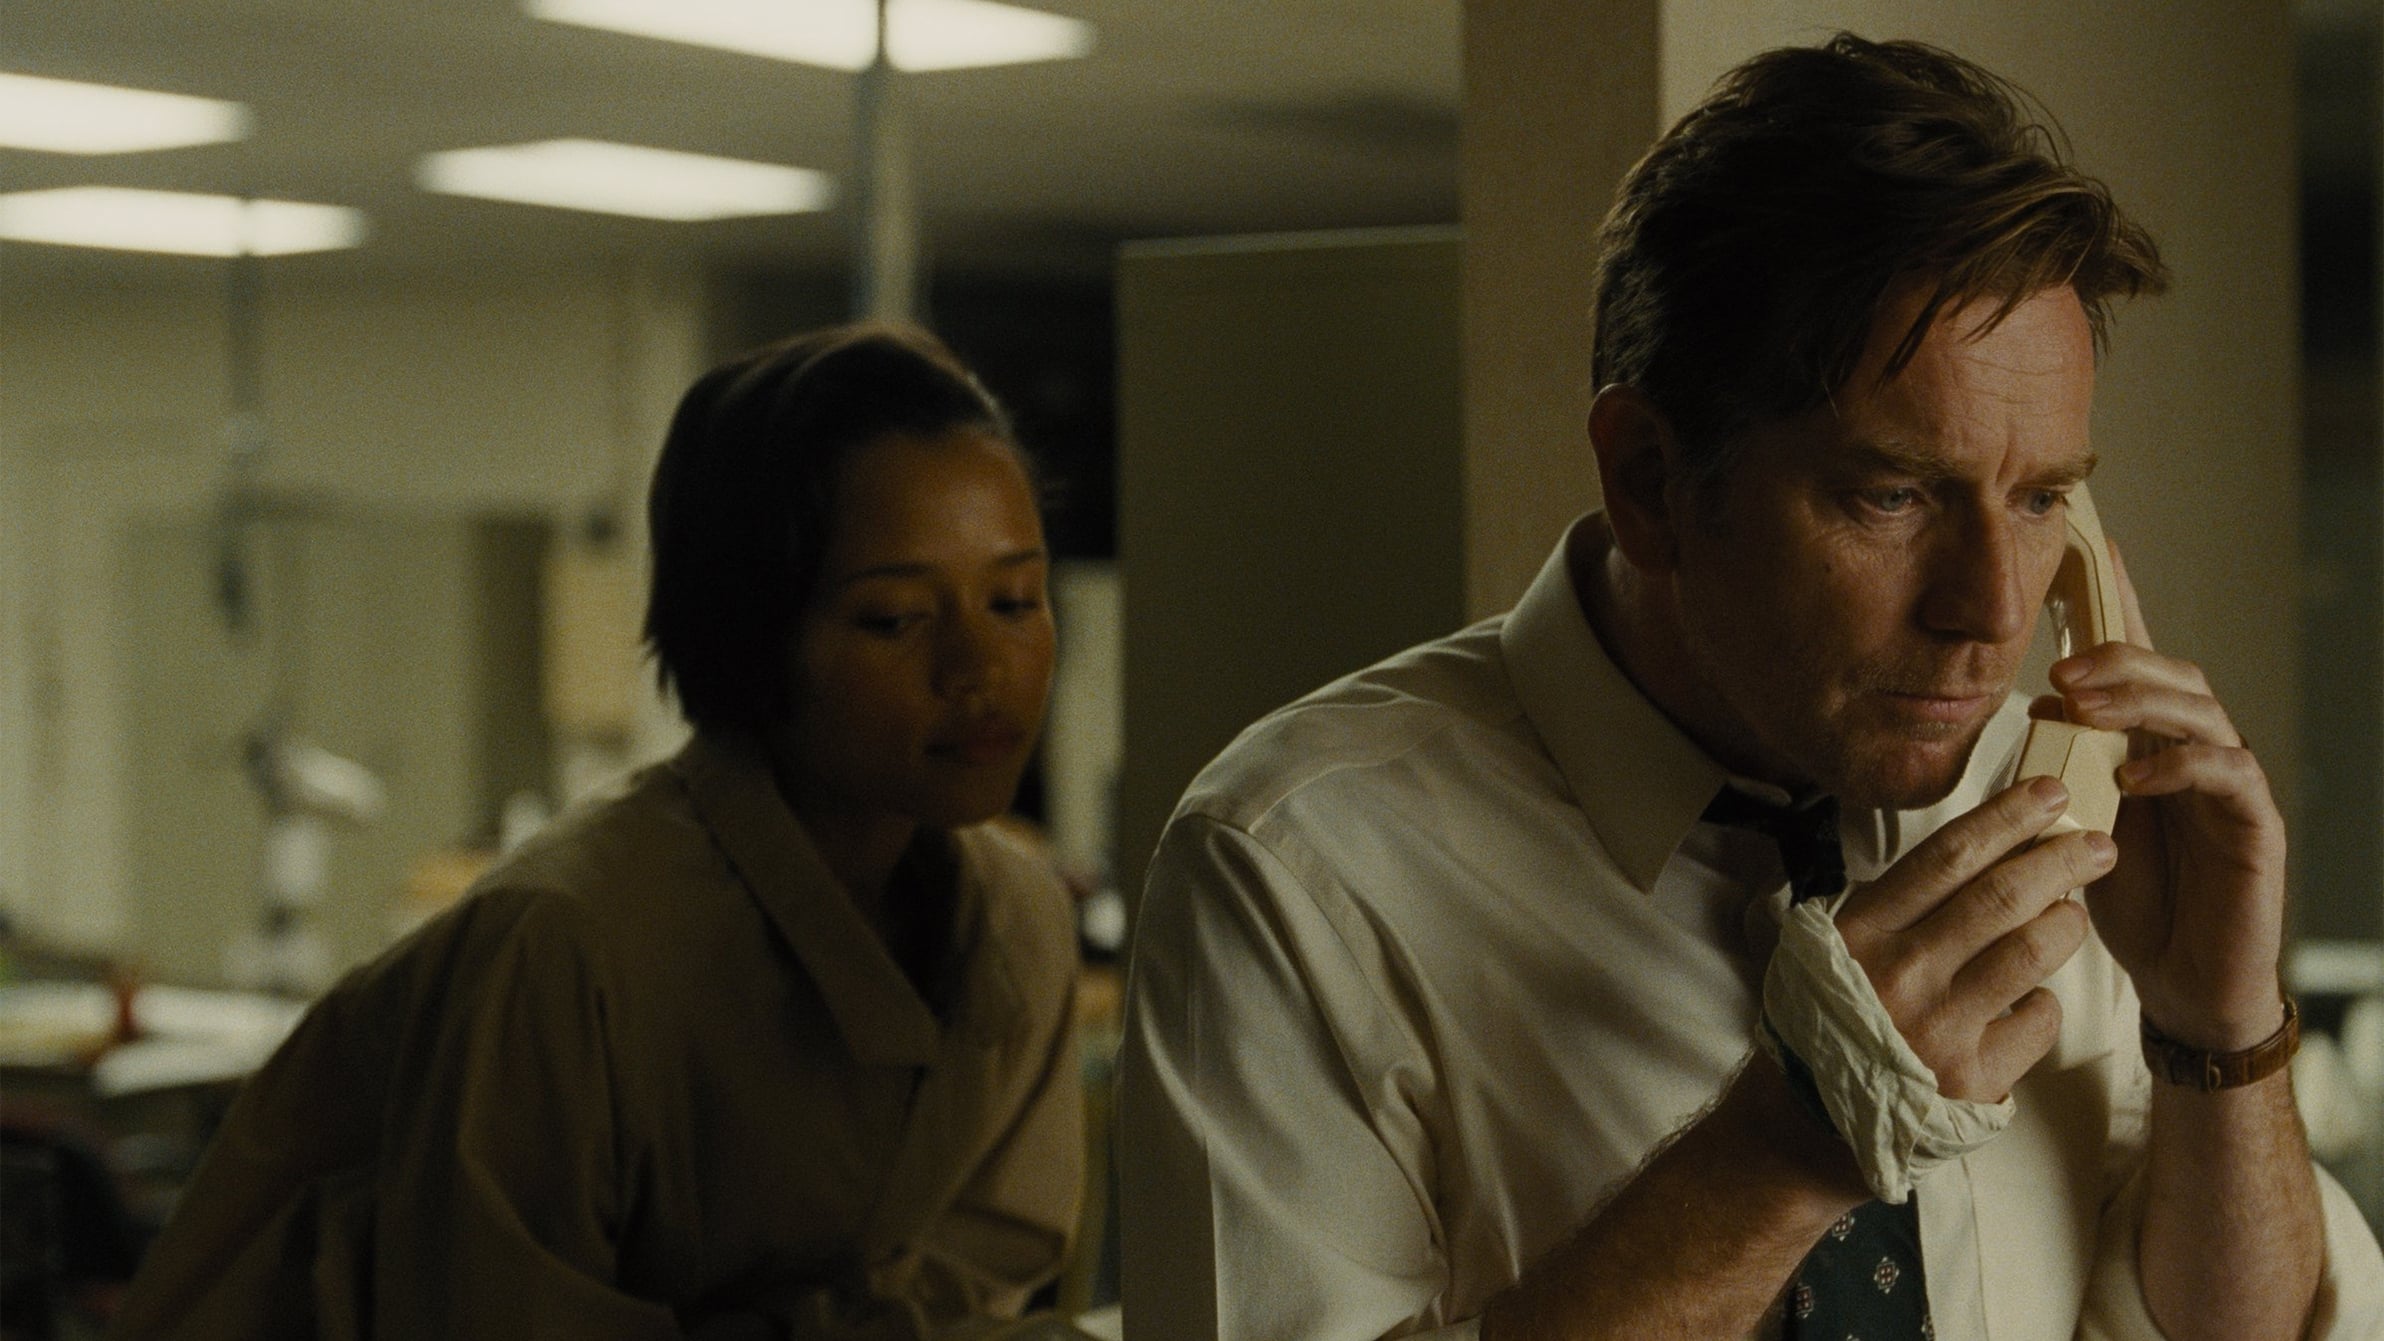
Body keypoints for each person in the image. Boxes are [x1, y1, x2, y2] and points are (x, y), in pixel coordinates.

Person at [1117, 34, 2384, 1340]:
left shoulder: (2055, 820)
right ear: (1650, 481)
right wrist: (1783, 1150)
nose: (1994, 612)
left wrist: (2216, 1032)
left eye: (2039, 498)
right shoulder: (1297, 867)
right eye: (1892, 495)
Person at [112, 324, 1084, 1339]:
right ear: (753, 632)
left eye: (1014, 599)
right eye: (894, 618)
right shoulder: (562, 949)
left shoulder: (1013, 924)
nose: (981, 666)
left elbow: (976, 1278)